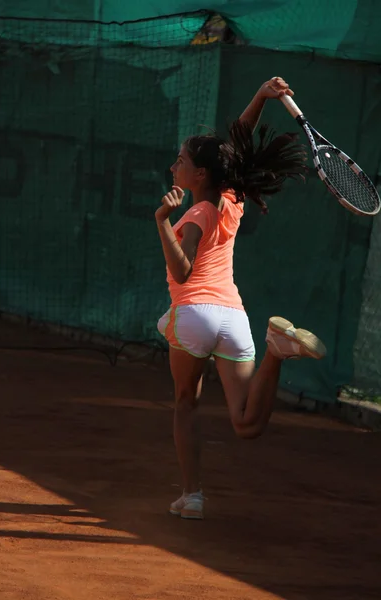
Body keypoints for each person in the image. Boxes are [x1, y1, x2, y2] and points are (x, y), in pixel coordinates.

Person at [155, 77, 326, 520]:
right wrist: (260, 98)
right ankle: (275, 350)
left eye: (181, 161)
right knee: (246, 423)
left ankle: (191, 496)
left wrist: (161, 221)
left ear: (200, 175)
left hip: (193, 315)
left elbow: (182, 270)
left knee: (185, 403)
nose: (174, 167)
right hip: (233, 319)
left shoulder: (194, 211)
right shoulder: (232, 199)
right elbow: (235, 148)